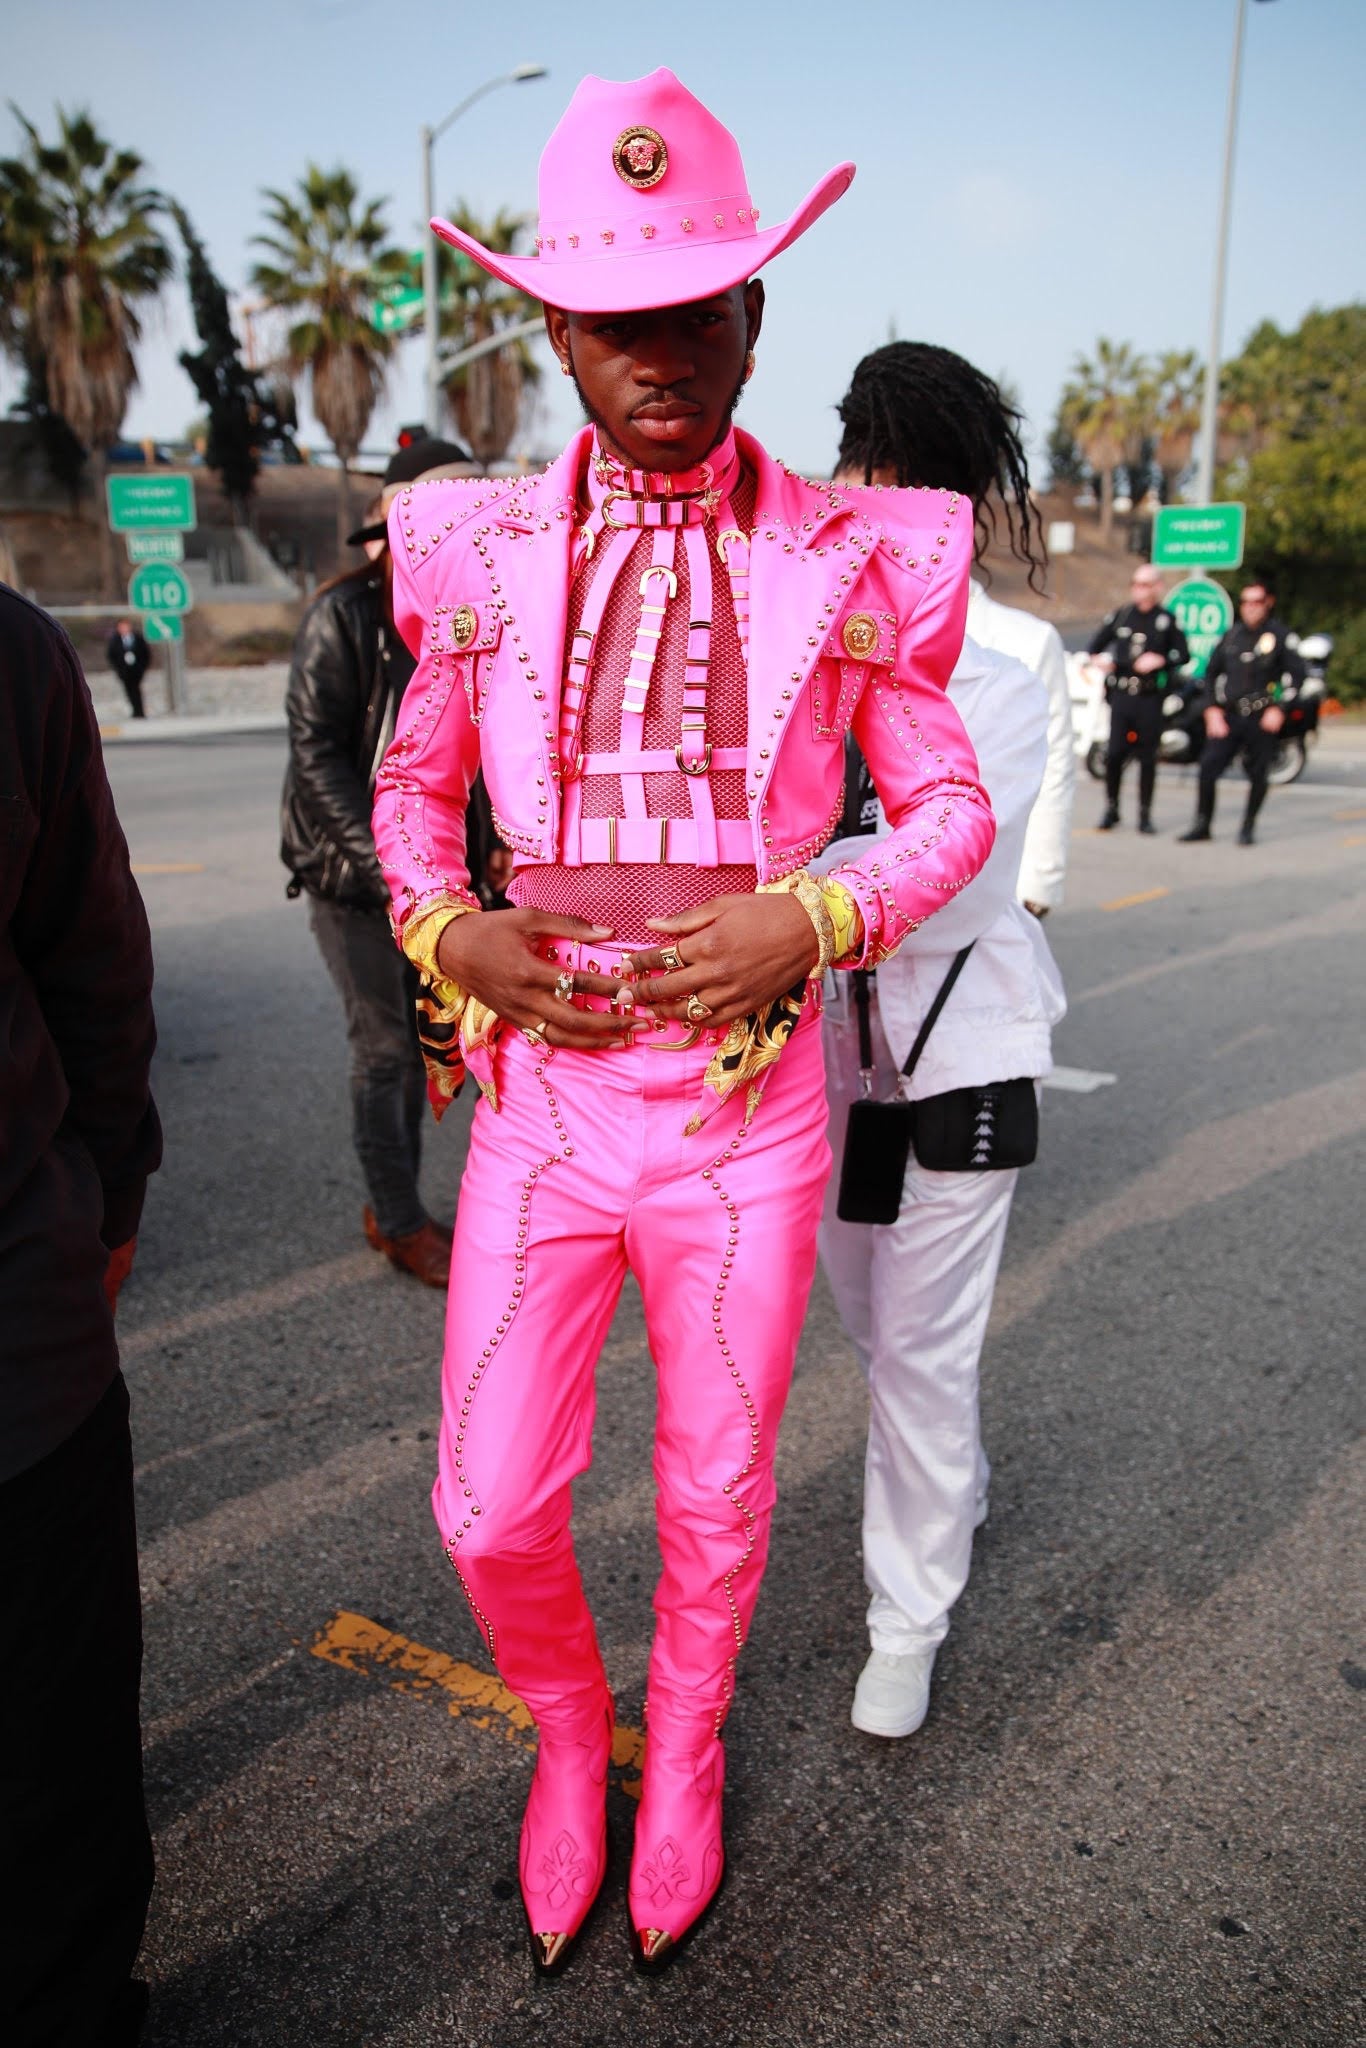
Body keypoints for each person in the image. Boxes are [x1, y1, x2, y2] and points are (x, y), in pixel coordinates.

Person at [372, 68, 995, 1974]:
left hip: (746, 1115)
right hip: (546, 1104)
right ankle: (575, 1733)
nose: (656, 349)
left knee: (717, 1489)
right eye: (614, 317)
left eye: (694, 308)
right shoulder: (471, 549)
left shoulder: (853, 551)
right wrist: (445, 922)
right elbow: (408, 794)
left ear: (753, 317)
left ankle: (689, 1746)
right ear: (559, 329)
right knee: (486, 1504)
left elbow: (956, 806)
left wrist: (811, 911)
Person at [819, 341, 1066, 1737]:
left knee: (921, 1352)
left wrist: (786, 887)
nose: (874, 495)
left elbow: (949, 871)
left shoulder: (1014, 657)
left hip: (957, 1047)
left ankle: (904, 1622)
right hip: (825, 1064)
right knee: (871, 1332)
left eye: (905, 476)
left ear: (955, 503)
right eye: (862, 465)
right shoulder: (806, 632)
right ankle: (947, 1483)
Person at [1, 587, 162, 2045]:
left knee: (56, 1755)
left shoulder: (11, 654)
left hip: (19, 1336)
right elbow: (96, 970)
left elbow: (89, 962)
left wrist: (102, 1206)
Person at [282, 436, 477, 1288]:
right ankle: (398, 1221)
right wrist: (393, 868)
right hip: (355, 878)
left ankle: (401, 1204)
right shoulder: (342, 616)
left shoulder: (474, 616)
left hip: (441, 882)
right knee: (388, 1050)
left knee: (446, 1047)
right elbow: (316, 755)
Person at [1179, 578, 1305, 845]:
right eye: (1246, 602)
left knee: (1258, 773)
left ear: (1268, 603)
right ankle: (1203, 824)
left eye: (1256, 602)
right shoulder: (1231, 636)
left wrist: (1280, 709)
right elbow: (1210, 675)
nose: (1250, 608)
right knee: (1208, 767)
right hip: (1231, 714)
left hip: (1262, 716)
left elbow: (1297, 676)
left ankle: (1248, 826)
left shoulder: (1280, 636)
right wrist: (1211, 709)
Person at [1088, 566, 1189, 833]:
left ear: (1157, 587)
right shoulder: (1122, 616)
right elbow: (1095, 647)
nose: (1139, 590)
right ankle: (1111, 808)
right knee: (1115, 754)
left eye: (1145, 585)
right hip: (1122, 693)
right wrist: (1102, 661)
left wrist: (1161, 660)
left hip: (1149, 696)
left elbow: (1184, 654)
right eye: (1136, 584)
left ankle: (1145, 814)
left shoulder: (1166, 620)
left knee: (1147, 756)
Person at [105, 617, 151, 720]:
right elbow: (111, 655)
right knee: (128, 691)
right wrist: (118, 668)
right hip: (124, 671)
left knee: (137, 690)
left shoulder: (138, 638)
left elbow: (146, 654)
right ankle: (134, 710)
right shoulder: (115, 640)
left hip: (137, 670)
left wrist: (142, 667)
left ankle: (140, 711)